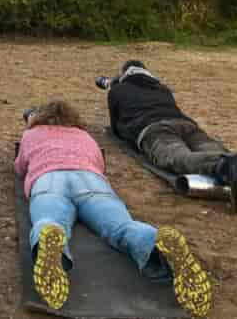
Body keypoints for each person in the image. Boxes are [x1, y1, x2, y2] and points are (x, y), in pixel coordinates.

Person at [15, 101, 212, 319]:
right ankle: (154, 243)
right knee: (122, 227)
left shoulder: (31, 135)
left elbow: (20, 166)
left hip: (50, 180)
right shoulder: (84, 136)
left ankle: (50, 241)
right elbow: (99, 162)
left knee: (49, 219)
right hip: (91, 181)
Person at [102, 59, 237, 216]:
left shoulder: (118, 90)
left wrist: (113, 90)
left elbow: (116, 128)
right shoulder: (162, 89)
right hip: (187, 125)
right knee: (215, 151)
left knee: (180, 158)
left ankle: (225, 166)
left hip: (154, 129)